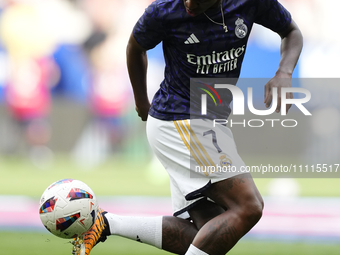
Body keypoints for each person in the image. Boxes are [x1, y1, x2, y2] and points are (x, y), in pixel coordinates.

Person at [71, 0, 303, 254]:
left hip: (210, 122)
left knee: (206, 232)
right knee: (249, 206)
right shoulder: (165, 10)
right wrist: (141, 102)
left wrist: (284, 72)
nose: (190, 3)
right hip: (181, 120)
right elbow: (135, 47)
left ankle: (106, 223)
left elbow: (291, 31)